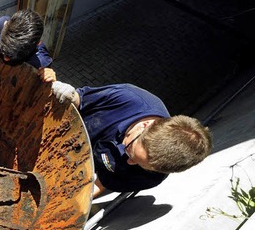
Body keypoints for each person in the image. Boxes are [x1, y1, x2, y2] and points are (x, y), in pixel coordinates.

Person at [51, 81, 213, 197]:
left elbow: (101, 183)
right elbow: (81, 100)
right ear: (146, 126)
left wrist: (73, 199)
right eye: (130, 151)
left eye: (141, 165)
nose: (129, 162)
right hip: (57, 131)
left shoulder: (149, 178)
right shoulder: (126, 98)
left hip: (71, 168)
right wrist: (69, 95)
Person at [0, 9, 55, 83]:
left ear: (37, 43)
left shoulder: (41, 63)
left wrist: (49, 82)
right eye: (3, 49)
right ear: (5, 25)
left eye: (13, 54)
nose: (6, 58)